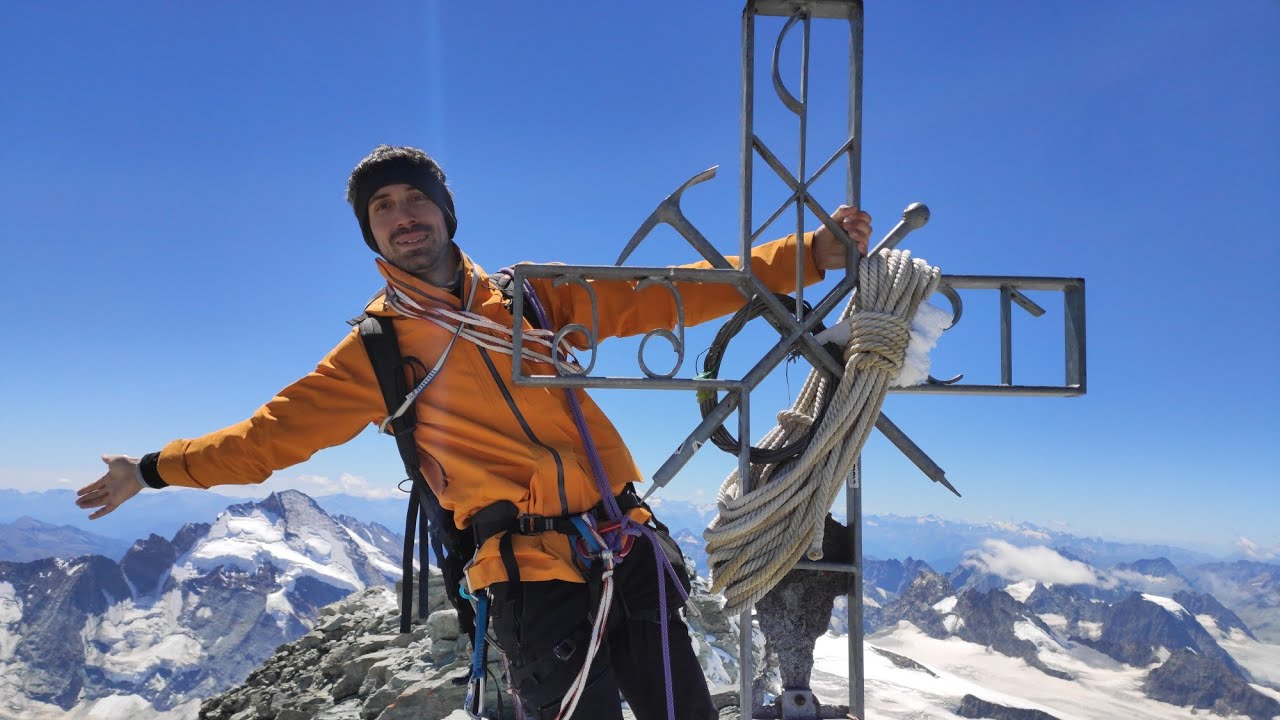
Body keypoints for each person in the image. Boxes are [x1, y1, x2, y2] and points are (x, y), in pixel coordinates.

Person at [75, 145, 871, 719]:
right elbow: (263, 442)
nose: (400, 216)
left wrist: (807, 254)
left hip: (624, 544)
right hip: (529, 576)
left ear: (446, 213)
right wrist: (149, 470)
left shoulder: (529, 300)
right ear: (370, 236)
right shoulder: (376, 351)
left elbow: (659, 296)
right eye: (381, 209)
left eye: (412, 198)